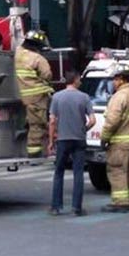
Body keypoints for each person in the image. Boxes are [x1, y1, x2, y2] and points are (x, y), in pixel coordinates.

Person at [47, 71, 96, 217]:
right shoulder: (84, 97)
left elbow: (52, 121)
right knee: (78, 173)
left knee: (59, 172)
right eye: (79, 79)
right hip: (79, 139)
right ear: (75, 80)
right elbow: (92, 120)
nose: (80, 81)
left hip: (62, 139)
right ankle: (76, 208)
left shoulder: (57, 97)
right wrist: (84, 129)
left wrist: (51, 140)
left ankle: (56, 207)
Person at [100, 69, 129, 213]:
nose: (113, 83)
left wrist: (104, 138)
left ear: (122, 80)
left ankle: (120, 203)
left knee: (117, 171)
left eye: (115, 80)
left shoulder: (120, 96)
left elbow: (112, 120)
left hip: (120, 143)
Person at [15, 29, 54, 157]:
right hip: (37, 97)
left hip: (21, 95)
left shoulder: (17, 53)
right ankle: (34, 152)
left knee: (31, 120)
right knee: (37, 124)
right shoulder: (38, 58)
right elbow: (47, 75)